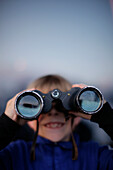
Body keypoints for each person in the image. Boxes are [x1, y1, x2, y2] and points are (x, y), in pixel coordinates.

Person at [0, 74, 113, 170]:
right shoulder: (13, 155)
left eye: (62, 107)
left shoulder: (97, 156)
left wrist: (106, 116)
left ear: (78, 116)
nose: (53, 113)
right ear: (29, 120)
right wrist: (6, 123)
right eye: (38, 107)